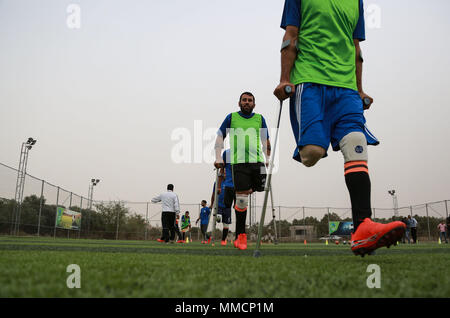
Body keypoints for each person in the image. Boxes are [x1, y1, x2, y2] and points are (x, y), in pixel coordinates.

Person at [273, 0, 406, 256]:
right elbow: (291, 34)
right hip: (309, 82)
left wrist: (359, 89)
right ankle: (315, 143)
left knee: (357, 141)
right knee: (311, 153)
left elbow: (357, 49)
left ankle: (362, 228)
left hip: (345, 89)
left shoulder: (356, 1)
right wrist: (284, 79)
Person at [214, 92, 271, 250]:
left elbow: (266, 139)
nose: (247, 102)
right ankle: (241, 237)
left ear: (254, 104)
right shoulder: (231, 117)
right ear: (239, 103)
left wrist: (267, 157)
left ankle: (244, 190)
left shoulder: (260, 118)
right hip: (239, 163)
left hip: (257, 161)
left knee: (260, 187)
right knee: (242, 199)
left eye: (250, 100)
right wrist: (219, 157)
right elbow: (220, 137)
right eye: (244, 100)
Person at [210, 149, 236, 246]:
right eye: (223, 172)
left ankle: (223, 240)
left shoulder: (230, 183)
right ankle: (213, 238)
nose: (224, 173)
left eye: (226, 172)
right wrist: (212, 204)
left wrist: (234, 203)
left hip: (227, 207)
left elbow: (233, 194)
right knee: (218, 218)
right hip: (219, 206)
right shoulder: (217, 183)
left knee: (226, 225)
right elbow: (213, 194)